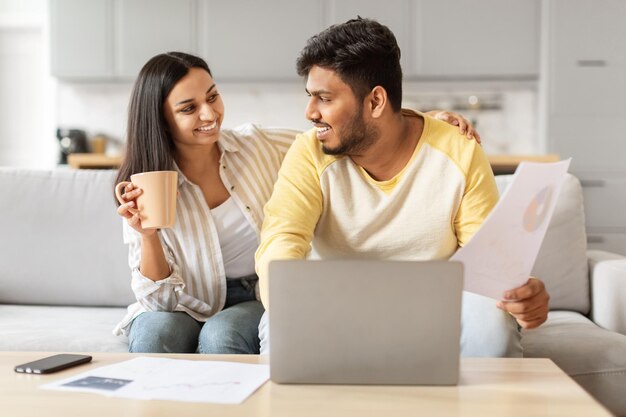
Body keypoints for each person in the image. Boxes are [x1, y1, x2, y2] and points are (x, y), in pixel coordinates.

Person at [112, 51, 476, 354]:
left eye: (212, 97)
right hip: (182, 298)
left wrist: (424, 123)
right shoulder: (143, 184)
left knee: (221, 336)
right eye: (189, 108)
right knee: (153, 336)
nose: (209, 115)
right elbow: (158, 301)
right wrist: (147, 235)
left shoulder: (256, 146)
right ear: (160, 119)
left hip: (250, 294)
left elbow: (344, 129)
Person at [255, 18, 550, 357]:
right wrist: (289, 295)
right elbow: (282, 238)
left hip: (434, 307)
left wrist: (518, 296)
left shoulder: (457, 150)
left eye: (324, 98)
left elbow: (487, 264)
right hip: (333, 305)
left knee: (492, 322)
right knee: (281, 321)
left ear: (376, 102)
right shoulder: (309, 152)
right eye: (310, 97)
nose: (310, 112)